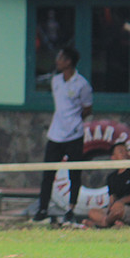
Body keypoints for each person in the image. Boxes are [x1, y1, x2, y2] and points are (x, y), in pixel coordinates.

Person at [32, 47, 93, 226]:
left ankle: (70, 210)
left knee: (74, 174)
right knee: (48, 173)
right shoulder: (56, 81)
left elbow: (88, 108)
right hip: (55, 134)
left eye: (60, 58)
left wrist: (73, 122)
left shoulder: (82, 84)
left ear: (68, 62)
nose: (57, 61)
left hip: (74, 135)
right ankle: (42, 208)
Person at [84, 142, 130, 228]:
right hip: (117, 209)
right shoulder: (112, 177)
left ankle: (104, 224)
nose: (125, 153)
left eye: (126, 151)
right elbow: (112, 199)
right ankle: (114, 223)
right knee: (93, 212)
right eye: (121, 151)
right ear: (113, 157)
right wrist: (111, 208)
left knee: (119, 211)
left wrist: (121, 202)